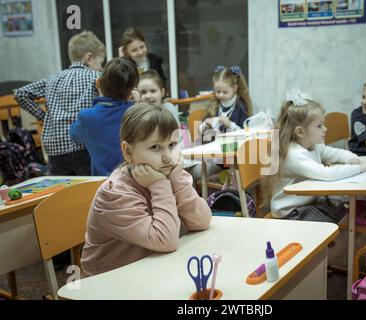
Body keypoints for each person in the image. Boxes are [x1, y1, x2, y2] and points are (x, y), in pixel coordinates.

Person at [80, 103, 212, 277]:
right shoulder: (114, 194)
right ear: (128, 152)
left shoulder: (169, 174)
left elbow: (202, 220)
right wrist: (160, 186)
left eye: (172, 145)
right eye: (155, 147)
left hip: (151, 270)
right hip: (109, 284)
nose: (167, 157)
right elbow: (166, 240)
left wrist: (177, 183)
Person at [266, 89, 366, 222]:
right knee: (337, 220)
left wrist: (352, 158)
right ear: (300, 132)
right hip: (290, 212)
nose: (325, 129)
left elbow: (336, 154)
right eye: (319, 126)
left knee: (344, 211)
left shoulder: (313, 145)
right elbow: (327, 174)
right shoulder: (293, 155)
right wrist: (360, 168)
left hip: (308, 201)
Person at [15, 31, 105, 176]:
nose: (101, 67)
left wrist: (44, 117)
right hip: (83, 146)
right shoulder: (97, 76)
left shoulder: (53, 79)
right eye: (101, 62)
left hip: (54, 148)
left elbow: (21, 94)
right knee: (88, 190)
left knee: (60, 190)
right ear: (89, 58)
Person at [70, 57, 139, 176]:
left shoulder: (86, 116)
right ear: (130, 92)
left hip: (100, 183)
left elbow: (74, 135)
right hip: (132, 179)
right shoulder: (135, 112)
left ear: (98, 83)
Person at [199, 65, 253, 141]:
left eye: (225, 92)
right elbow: (201, 132)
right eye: (218, 91)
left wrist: (230, 125)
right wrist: (206, 123)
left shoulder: (241, 106)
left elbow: (246, 133)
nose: (221, 95)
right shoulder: (215, 104)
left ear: (234, 88)